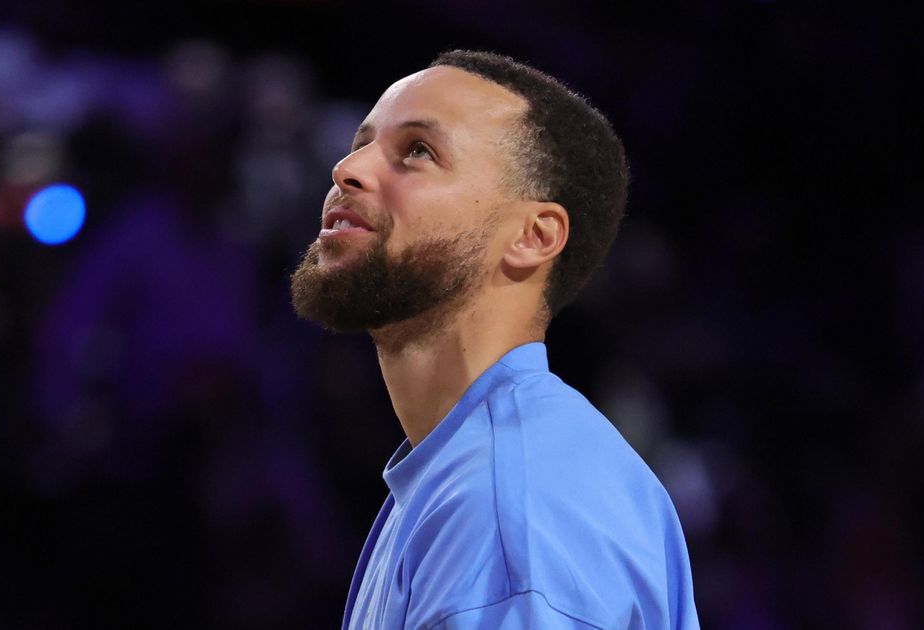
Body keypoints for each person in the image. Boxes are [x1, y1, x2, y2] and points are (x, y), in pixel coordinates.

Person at [290, 50, 700, 630]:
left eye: (417, 152)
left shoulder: (512, 505)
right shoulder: (469, 472)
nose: (348, 169)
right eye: (362, 142)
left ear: (532, 237)